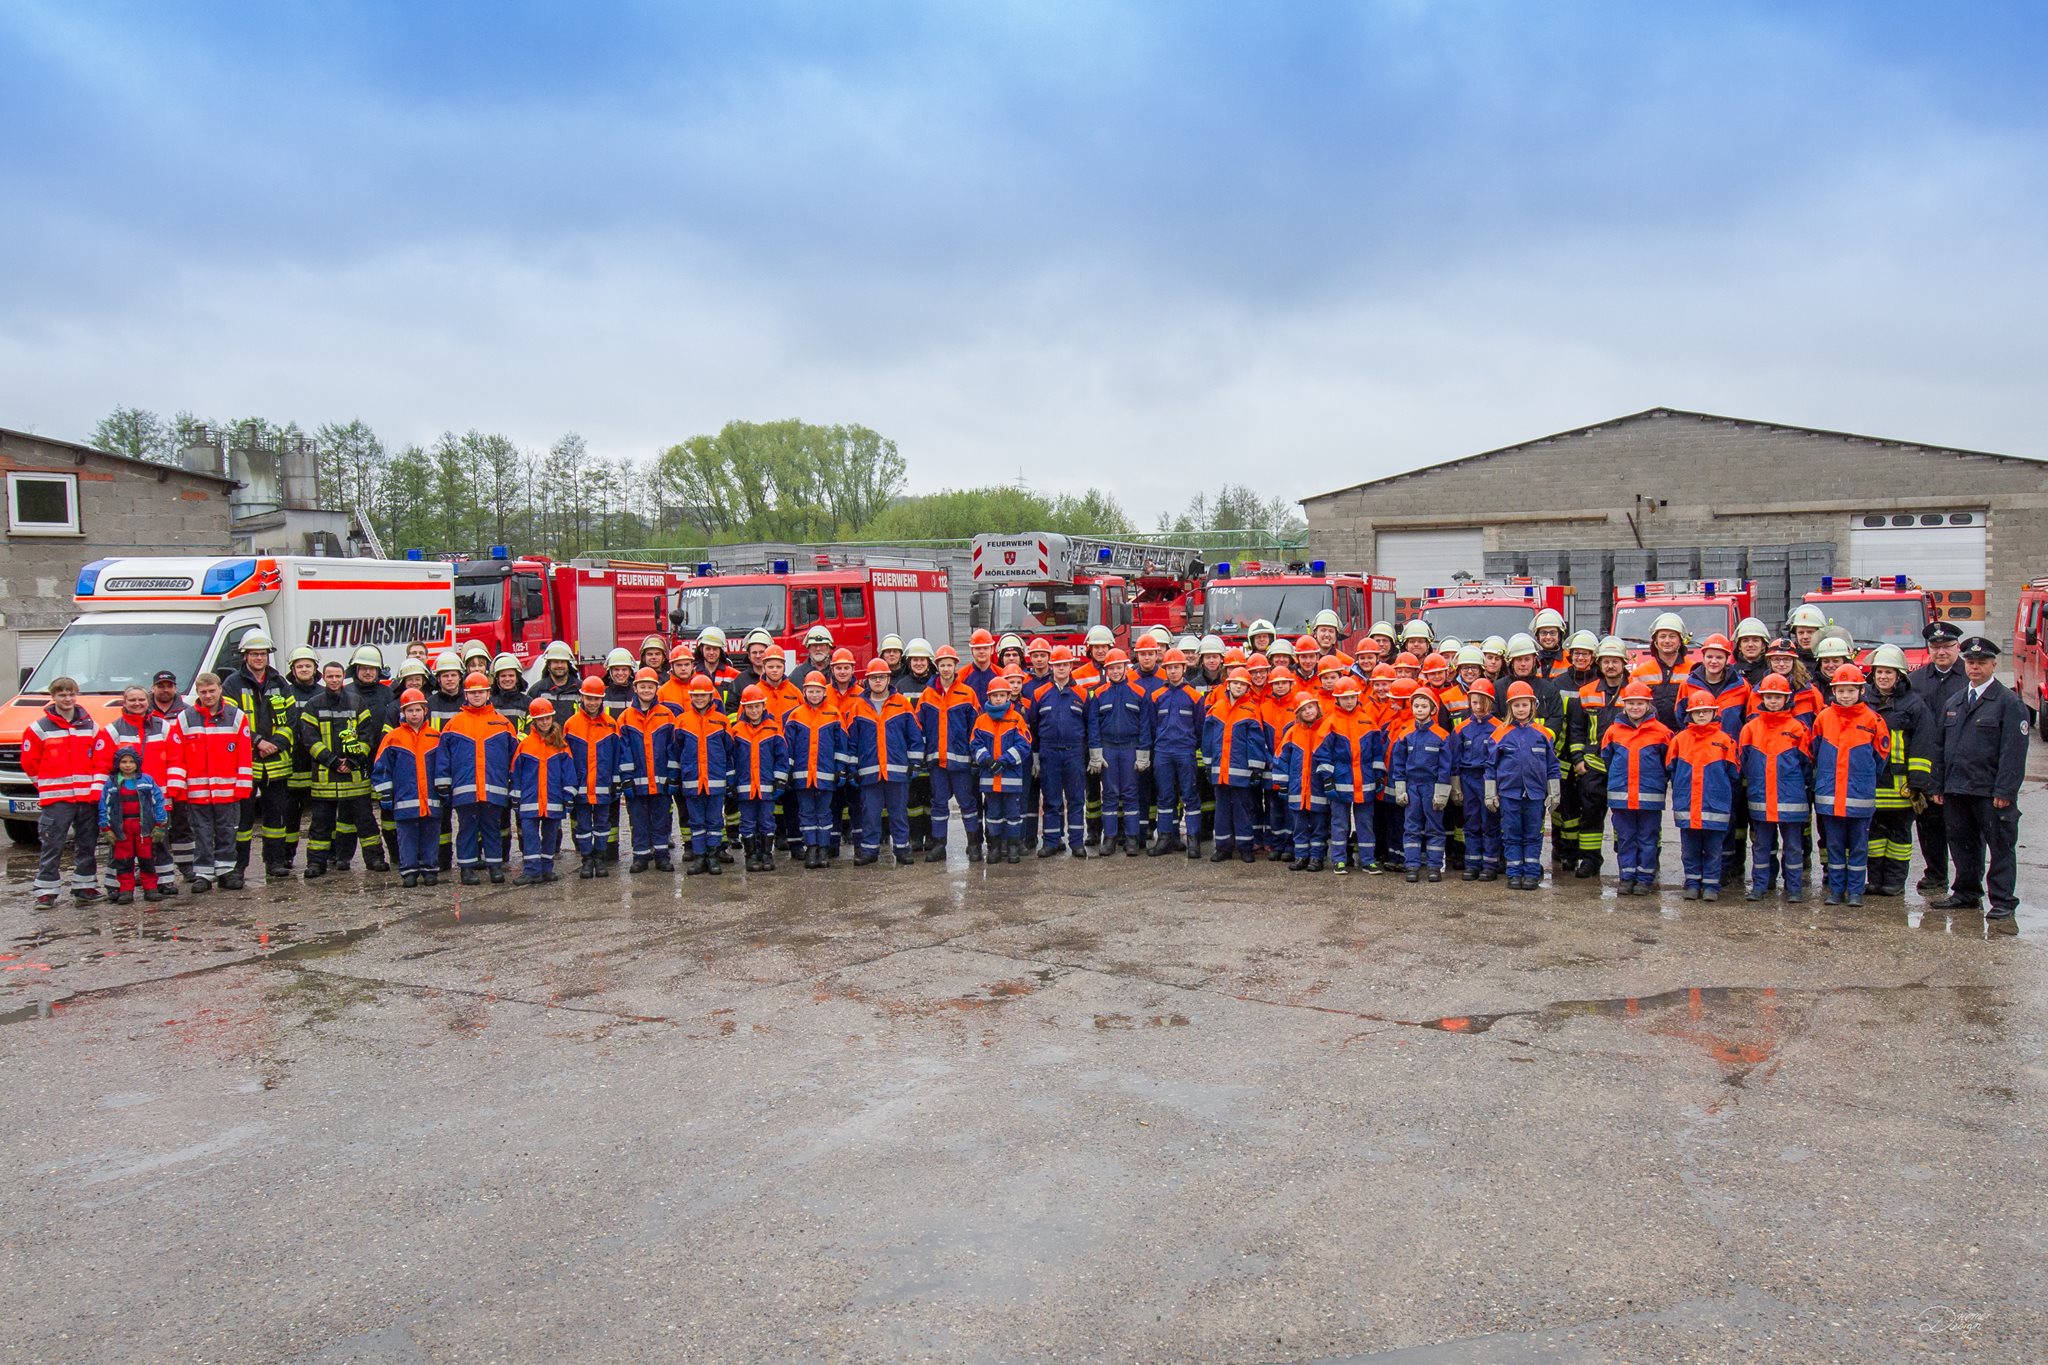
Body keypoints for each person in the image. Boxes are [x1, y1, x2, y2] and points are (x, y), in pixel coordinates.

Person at [1928, 637, 2029, 922]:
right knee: (1962, 844)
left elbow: (2013, 751)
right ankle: (1966, 892)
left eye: (1981, 663)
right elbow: (1939, 747)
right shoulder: (1955, 701)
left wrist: (2006, 790)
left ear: (1994, 665)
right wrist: (1938, 785)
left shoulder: (2008, 702)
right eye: (1970, 662)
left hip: (1990, 791)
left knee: (2000, 847)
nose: (1975, 667)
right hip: (1957, 788)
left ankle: (2003, 900)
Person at [1810, 665, 1890, 907]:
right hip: (1830, 797)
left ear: (1861, 691)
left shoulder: (1873, 720)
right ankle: (1836, 890)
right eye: (1840, 690)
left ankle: (1855, 891)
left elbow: (1881, 757)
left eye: (1850, 690)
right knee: (1833, 847)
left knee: (1858, 847)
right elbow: (1813, 751)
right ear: (1833, 691)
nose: (1845, 695)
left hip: (1859, 797)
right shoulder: (1823, 718)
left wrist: (1862, 780)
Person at [220, 631, 297, 882]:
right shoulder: (232, 683)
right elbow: (230, 720)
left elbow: (292, 717)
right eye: (254, 654)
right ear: (245, 656)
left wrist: (276, 743)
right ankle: (238, 866)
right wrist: (257, 742)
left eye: (263, 654)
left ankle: (274, 862)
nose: (259, 658)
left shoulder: (279, 682)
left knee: (276, 817)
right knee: (242, 820)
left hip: (277, 762)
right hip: (246, 761)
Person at [89, 686, 182, 897]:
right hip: (124, 801)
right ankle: (116, 886)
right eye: (132, 700)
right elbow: (101, 764)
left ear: (148, 701)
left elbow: (177, 758)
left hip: (156, 797)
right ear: (125, 702)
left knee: (159, 842)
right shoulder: (113, 730)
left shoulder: (164, 727)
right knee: (121, 845)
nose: (137, 703)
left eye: (141, 699)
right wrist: (101, 797)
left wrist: (174, 789)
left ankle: (164, 882)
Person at [173, 671, 256, 892]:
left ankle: (226, 872)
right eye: (203, 692)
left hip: (228, 790)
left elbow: (244, 755)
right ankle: (203, 874)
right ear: (197, 693)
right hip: (197, 791)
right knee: (201, 832)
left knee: (227, 830)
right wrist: (178, 787)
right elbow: (176, 754)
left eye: (212, 690)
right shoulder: (186, 718)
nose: (208, 695)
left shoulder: (237, 716)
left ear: (220, 689)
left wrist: (243, 784)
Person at [24, 676, 102, 907]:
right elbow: (30, 763)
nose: (67, 699)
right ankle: (46, 891)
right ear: (53, 697)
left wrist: (95, 787)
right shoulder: (39, 728)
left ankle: (85, 886)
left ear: (76, 695)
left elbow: (100, 757)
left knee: (87, 842)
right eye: (62, 695)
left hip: (87, 797)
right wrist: (46, 786)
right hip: (56, 799)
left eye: (71, 694)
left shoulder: (90, 726)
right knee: (52, 843)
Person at [1863, 644, 1934, 897]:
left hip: (1902, 786)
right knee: (1873, 836)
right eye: (1880, 672)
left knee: (1899, 837)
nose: (1883, 677)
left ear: (1900, 676)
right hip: (1871, 784)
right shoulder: (1863, 701)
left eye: (1889, 673)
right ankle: (1875, 879)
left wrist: (1918, 783)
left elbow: (1923, 744)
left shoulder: (1914, 705)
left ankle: (1894, 881)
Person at [1739, 674, 1813, 902]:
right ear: (1761, 698)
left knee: (1793, 847)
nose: (1772, 701)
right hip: (1761, 798)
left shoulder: (1798, 728)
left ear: (1787, 698)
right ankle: (1760, 886)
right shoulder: (1751, 728)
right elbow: (1743, 762)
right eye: (1769, 696)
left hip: (1791, 799)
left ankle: (1794, 888)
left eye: (1777, 697)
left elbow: (1807, 764)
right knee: (1761, 846)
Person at [439, 671, 518, 884]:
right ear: (465, 695)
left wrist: (514, 782)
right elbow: (443, 758)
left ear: (488, 693)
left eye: (480, 692)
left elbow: (515, 757)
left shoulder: (502, 724)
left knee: (492, 828)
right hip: (465, 789)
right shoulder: (454, 724)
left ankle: (495, 867)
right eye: (472, 693)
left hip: (494, 788)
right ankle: (467, 868)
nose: (477, 696)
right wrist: (443, 784)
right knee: (467, 829)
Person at [1907, 620, 1967, 893]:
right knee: (1929, 823)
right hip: (1927, 759)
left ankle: (1966, 880)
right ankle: (1935, 873)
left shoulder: (1970, 677)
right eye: (1935, 646)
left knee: (1962, 826)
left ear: (1957, 648)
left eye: (1947, 646)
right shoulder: (1916, 680)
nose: (1941, 652)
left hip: (1960, 762)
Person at [845, 659, 921, 867]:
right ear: (867, 680)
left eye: (881, 677)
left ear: (888, 678)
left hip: (897, 771)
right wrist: (851, 769)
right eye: (873, 678)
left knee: (898, 813)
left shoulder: (902, 704)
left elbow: (914, 736)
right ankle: (870, 851)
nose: (877, 681)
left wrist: (914, 762)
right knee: (870, 813)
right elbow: (852, 742)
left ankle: (902, 849)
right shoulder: (858, 707)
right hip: (869, 772)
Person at [1667, 689, 1741, 901]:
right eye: (1697, 711)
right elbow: (1670, 769)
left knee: (1713, 848)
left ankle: (1711, 885)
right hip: (1688, 804)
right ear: (1689, 713)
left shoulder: (1725, 740)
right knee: (1689, 848)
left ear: (1714, 713)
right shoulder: (1680, 740)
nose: (1701, 715)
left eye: (1706, 711)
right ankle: (1692, 883)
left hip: (1714, 805)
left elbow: (1734, 773)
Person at [1601, 681, 1672, 896]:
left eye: (1640, 703)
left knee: (1648, 838)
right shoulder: (1613, 732)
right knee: (1625, 838)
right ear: (1624, 705)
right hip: (1621, 797)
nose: (1635, 708)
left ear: (1649, 705)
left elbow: (1667, 762)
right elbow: (1607, 758)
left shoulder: (1662, 732)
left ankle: (1644, 878)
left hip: (1649, 798)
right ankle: (1626, 877)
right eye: (1630, 703)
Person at [1488, 681, 1558, 890]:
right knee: (1511, 835)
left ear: (1532, 706)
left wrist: (1554, 793)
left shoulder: (1544, 734)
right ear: (1510, 707)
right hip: (1509, 794)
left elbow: (1552, 765)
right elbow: (1490, 766)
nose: (1521, 709)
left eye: (1524, 705)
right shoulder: (1499, 734)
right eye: (1516, 705)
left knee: (1533, 835)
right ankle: (1514, 873)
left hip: (1535, 795)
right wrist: (1490, 794)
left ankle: (1531, 873)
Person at [919, 645, 985, 863]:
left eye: (949, 664)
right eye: (942, 664)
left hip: (962, 763)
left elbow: (976, 728)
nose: (946, 668)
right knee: (938, 803)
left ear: (955, 666)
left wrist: (975, 756)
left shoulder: (967, 694)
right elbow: (917, 726)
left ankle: (974, 844)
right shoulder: (928, 695)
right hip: (937, 761)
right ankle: (939, 846)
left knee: (967, 803)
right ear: (936, 666)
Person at [371, 688, 442, 887]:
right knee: (406, 836)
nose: (414, 714)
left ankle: (430, 870)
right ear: (403, 712)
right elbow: (381, 767)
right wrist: (385, 794)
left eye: (417, 710)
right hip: (404, 798)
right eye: (409, 710)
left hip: (430, 798)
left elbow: (445, 767)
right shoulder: (393, 738)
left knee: (430, 835)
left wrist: (445, 790)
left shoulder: (435, 737)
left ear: (425, 711)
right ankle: (409, 871)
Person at [1318, 674, 1386, 875]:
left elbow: (1376, 753)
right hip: (1340, 782)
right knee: (1339, 823)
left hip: (1365, 782)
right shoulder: (1330, 723)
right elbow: (1323, 756)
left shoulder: (1368, 722)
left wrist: (1379, 775)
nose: (1349, 701)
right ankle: (1339, 859)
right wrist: (1328, 781)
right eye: (1345, 698)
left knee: (1366, 823)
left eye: (1352, 697)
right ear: (1336, 699)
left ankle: (1368, 860)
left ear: (1358, 697)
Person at [1088, 649, 1152, 857]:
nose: (1115, 672)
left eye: (1118, 667)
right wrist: (1095, 753)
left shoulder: (1139, 692)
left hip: (1130, 748)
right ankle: (1110, 838)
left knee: (1131, 793)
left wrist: (1143, 753)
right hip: (1108, 748)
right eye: (1111, 668)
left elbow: (1145, 725)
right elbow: (1093, 725)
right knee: (1110, 794)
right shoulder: (1099, 694)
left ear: (1125, 668)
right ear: (1106, 670)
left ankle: (1132, 838)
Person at [783, 673, 851, 869]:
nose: (814, 695)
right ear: (804, 692)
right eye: (810, 691)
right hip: (802, 776)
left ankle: (823, 848)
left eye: (818, 691)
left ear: (824, 692)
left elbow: (841, 747)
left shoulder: (834, 714)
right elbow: (789, 747)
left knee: (824, 813)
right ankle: (811, 847)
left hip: (826, 775)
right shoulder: (795, 715)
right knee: (806, 813)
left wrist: (840, 770)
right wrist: (788, 771)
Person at [1203, 666, 1269, 863]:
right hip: (1220, 771)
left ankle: (1245, 847)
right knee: (1221, 810)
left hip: (1242, 772)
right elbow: (1208, 741)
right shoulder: (1216, 709)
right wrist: (1208, 765)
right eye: (1236, 683)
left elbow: (1256, 742)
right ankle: (1222, 847)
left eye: (1243, 684)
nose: (1239, 687)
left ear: (1247, 687)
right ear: (1228, 684)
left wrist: (1257, 768)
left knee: (1243, 810)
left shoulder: (1251, 710)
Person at [616, 667, 679, 873]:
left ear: (656, 688)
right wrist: (626, 779)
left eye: (650, 686)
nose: (646, 690)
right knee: (638, 821)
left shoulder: (667, 715)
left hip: (661, 781)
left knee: (661, 819)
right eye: (642, 686)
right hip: (637, 781)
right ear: (635, 688)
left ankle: (662, 856)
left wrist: (672, 776)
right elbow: (623, 751)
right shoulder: (625, 718)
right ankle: (640, 856)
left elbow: (672, 748)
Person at [1029, 647, 1090, 859]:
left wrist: (1089, 754)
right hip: (1049, 752)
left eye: (1064, 664)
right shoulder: (1040, 694)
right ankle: (1051, 842)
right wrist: (1036, 756)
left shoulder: (1082, 694)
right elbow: (1034, 727)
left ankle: (1076, 843)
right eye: (1057, 665)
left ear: (1071, 666)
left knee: (1075, 800)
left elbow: (1089, 726)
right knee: (1051, 800)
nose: (1061, 668)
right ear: (1051, 667)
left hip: (1074, 752)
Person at [671, 675, 734, 875]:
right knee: (696, 820)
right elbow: (675, 751)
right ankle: (700, 856)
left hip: (715, 779)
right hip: (692, 779)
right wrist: (675, 777)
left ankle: (713, 855)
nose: (699, 699)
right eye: (696, 695)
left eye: (703, 695)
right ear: (691, 696)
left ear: (710, 696)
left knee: (715, 820)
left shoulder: (722, 722)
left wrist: (730, 779)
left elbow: (729, 752)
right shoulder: (681, 721)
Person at [1390, 684, 1452, 883]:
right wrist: (1400, 789)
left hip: (1432, 788)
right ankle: (1412, 866)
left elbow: (1446, 767)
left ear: (1433, 709)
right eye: (1416, 706)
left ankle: (1434, 866)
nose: (1419, 710)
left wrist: (1442, 793)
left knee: (1435, 827)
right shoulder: (1405, 735)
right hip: (1412, 788)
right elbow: (1397, 764)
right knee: (1411, 827)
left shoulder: (1442, 736)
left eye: (1424, 706)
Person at [1147, 648, 1206, 859]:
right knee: (1164, 797)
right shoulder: (1156, 696)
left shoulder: (1194, 696)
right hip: (1162, 751)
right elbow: (1152, 725)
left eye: (1176, 667)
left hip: (1185, 751)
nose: (1172, 672)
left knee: (1190, 796)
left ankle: (1193, 840)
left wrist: (1191, 745)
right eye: (1169, 668)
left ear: (1184, 668)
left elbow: (1200, 726)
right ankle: (1165, 839)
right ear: (1165, 670)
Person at [509, 698, 573, 885]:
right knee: (530, 836)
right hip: (530, 800)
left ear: (552, 719)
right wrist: (516, 796)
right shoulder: (525, 745)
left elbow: (569, 774)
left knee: (550, 836)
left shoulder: (561, 745)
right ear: (534, 721)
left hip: (553, 800)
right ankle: (532, 871)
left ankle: (546, 869)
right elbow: (516, 773)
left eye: (547, 719)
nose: (544, 723)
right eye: (540, 719)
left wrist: (568, 796)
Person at [562, 677, 621, 879]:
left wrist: (616, 780)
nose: (592, 703)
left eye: (596, 699)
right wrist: (569, 784)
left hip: (604, 785)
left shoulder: (611, 725)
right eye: (589, 698)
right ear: (582, 698)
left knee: (603, 824)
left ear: (601, 700)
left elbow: (617, 756)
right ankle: (587, 859)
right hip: (581, 786)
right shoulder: (571, 725)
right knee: (583, 825)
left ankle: (600, 858)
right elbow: (566, 758)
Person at [971, 671, 1032, 863]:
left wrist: (1004, 760)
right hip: (990, 778)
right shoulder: (981, 720)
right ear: (989, 697)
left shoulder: (1016, 719)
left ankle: (1013, 848)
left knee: (1013, 815)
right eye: (995, 696)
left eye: (1002, 695)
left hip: (1011, 777)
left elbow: (1024, 744)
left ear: (1008, 696)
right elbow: (974, 743)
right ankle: (994, 848)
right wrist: (988, 760)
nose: (999, 699)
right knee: (994, 814)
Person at [97, 745, 168, 904]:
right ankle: (126, 891)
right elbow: (104, 805)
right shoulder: (112, 783)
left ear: (137, 763)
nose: (128, 765)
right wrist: (105, 828)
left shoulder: (147, 781)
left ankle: (150, 889)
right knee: (123, 861)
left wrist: (160, 824)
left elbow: (158, 802)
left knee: (147, 859)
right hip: (122, 830)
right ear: (118, 764)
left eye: (131, 762)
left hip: (144, 829)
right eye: (124, 762)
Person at [729, 685, 789, 872]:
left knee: (767, 820)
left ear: (764, 706)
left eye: (757, 706)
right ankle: (751, 855)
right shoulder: (737, 731)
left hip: (767, 786)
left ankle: (766, 854)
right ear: (743, 708)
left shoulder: (773, 728)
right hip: (745, 786)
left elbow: (782, 757)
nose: (754, 710)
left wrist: (779, 781)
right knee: (747, 821)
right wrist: (731, 783)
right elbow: (730, 759)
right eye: (750, 707)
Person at [1451, 679, 1503, 882]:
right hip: (1468, 778)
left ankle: (1490, 864)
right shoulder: (1461, 729)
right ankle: (1472, 863)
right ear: (1469, 703)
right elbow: (1454, 759)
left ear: (1491, 702)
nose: (1479, 707)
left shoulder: (1500, 728)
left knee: (1490, 821)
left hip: (1489, 780)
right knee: (1471, 821)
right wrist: (1456, 786)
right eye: (1475, 702)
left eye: (1484, 702)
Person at [1273, 692, 1332, 871]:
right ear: (1298, 713)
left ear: (1317, 708)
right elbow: (1280, 759)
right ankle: (1301, 857)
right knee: (1299, 826)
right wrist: (1283, 784)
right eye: (1303, 709)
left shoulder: (1325, 731)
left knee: (1319, 826)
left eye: (1310, 707)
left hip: (1318, 790)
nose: (1308, 712)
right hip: (1297, 790)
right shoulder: (1292, 732)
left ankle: (1316, 857)